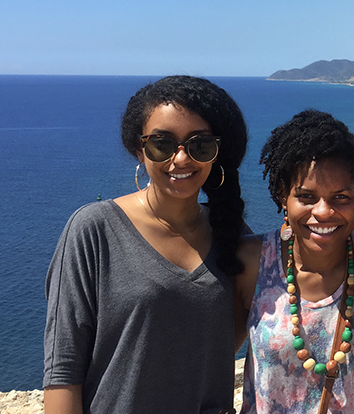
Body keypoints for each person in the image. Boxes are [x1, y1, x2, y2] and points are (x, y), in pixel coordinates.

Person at [43, 76, 249, 413]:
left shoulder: (232, 234)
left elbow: (226, 338)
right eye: (162, 144)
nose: (181, 159)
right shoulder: (94, 229)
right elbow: (62, 366)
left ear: (216, 152)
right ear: (139, 149)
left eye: (199, 145)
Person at [235, 109, 354, 414]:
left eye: (340, 197)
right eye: (307, 197)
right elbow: (207, 353)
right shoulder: (252, 263)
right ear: (282, 196)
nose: (324, 211)